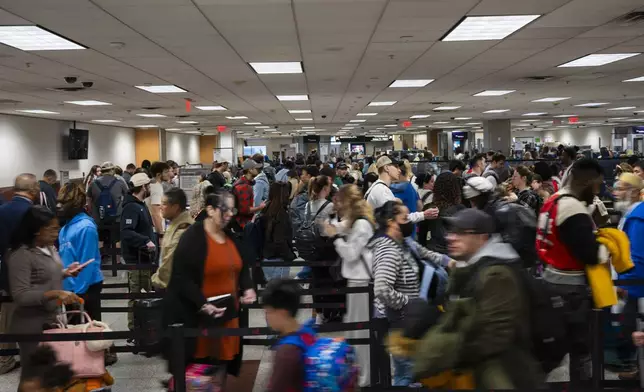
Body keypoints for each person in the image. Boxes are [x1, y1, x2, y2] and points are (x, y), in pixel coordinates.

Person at [413, 208, 542, 389]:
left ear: (482, 238)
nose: (451, 238)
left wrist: (445, 352)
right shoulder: (467, 270)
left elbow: (495, 336)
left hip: (505, 377)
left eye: (461, 233)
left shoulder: (497, 275)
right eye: (451, 232)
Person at [163, 190, 256, 387]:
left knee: (221, 368)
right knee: (201, 372)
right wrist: (202, 304)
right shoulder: (193, 237)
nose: (231, 214)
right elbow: (181, 278)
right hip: (199, 321)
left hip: (227, 318)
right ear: (210, 210)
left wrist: (247, 288)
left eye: (233, 209)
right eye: (225, 209)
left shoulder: (230, 235)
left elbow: (240, 266)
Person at [536, 158, 603, 384]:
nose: (597, 192)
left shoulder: (552, 201)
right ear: (586, 182)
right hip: (570, 290)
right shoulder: (572, 208)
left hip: (548, 280)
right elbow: (591, 254)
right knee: (580, 351)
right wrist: (607, 249)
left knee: (551, 346)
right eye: (597, 185)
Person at [370, 200, 450, 386]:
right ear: (391, 222)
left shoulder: (404, 242)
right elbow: (382, 288)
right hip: (400, 320)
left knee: (410, 370)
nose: (408, 222)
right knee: (406, 372)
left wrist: (450, 262)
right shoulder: (388, 249)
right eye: (404, 218)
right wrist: (408, 303)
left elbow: (424, 253)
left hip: (410, 319)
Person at [7, 206, 81, 383]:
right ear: (36, 230)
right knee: (33, 380)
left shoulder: (49, 248)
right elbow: (21, 294)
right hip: (32, 326)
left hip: (51, 320)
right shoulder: (21, 255)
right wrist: (54, 293)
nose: (57, 233)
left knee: (49, 379)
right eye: (52, 229)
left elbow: (43, 274)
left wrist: (64, 272)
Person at [322, 184, 375, 387]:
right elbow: (333, 227)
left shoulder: (361, 224)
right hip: (356, 281)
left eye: (340, 202)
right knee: (355, 331)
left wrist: (336, 238)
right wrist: (332, 220)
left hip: (362, 283)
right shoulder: (355, 221)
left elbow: (351, 254)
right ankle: (359, 374)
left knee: (361, 332)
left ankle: (365, 378)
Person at [0, 174, 40, 374]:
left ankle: (5, 360)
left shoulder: (2, 211)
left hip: (7, 275)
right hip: (33, 277)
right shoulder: (35, 213)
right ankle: (33, 357)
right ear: (33, 190)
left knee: (6, 320)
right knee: (33, 318)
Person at [611, 173, 644, 376]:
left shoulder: (638, 217)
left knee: (632, 328)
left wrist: (627, 285)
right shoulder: (631, 214)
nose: (616, 192)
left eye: (622, 188)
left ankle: (633, 366)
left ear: (633, 192)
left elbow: (638, 258)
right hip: (630, 283)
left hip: (636, 287)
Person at [57, 183, 104, 321]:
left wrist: (79, 295)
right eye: (59, 202)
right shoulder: (65, 227)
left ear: (75, 204)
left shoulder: (86, 227)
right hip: (70, 288)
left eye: (64, 202)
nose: (59, 206)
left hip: (85, 289)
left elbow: (87, 263)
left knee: (88, 332)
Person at [120, 172, 157, 333]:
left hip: (144, 259)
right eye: (148, 185)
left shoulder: (139, 205)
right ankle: (135, 331)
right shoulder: (132, 208)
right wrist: (145, 241)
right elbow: (126, 232)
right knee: (136, 296)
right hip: (136, 260)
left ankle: (145, 328)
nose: (149, 188)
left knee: (144, 294)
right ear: (143, 187)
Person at [263, 279, 311, 391]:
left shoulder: (286, 352)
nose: (266, 317)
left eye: (268, 312)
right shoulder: (307, 331)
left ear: (282, 312)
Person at [305, 176, 341, 323]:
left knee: (316, 281)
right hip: (327, 247)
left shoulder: (308, 205)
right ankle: (329, 312)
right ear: (326, 189)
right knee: (329, 280)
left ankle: (318, 314)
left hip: (311, 246)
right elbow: (334, 228)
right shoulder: (330, 206)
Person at [365, 155, 437, 224]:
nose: (399, 170)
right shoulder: (381, 190)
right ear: (386, 168)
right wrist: (423, 215)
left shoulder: (380, 188)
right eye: (396, 167)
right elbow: (397, 218)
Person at [151, 188, 194, 290]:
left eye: (164, 204)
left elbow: (170, 261)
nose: (161, 207)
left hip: (178, 288)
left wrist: (157, 280)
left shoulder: (183, 228)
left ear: (175, 207)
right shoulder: (175, 223)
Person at [419, 172, 464, 251]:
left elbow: (421, 235)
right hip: (454, 254)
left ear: (436, 188)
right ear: (456, 189)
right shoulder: (462, 210)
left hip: (433, 253)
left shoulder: (429, 209)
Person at [261, 182, 296, 280]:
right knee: (280, 292)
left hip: (267, 256)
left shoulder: (266, 209)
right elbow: (279, 240)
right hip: (278, 259)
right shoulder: (281, 214)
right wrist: (289, 255)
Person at [89, 161, 128, 225]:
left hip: (99, 218)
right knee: (116, 234)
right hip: (117, 218)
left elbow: (88, 199)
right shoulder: (120, 181)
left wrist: (92, 212)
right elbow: (127, 196)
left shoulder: (93, 183)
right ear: (112, 170)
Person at [391, 161, 421, 238]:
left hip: (399, 231)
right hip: (411, 229)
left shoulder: (392, 189)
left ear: (399, 173)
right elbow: (420, 206)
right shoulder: (411, 187)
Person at [232, 159, 266, 229]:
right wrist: (260, 207)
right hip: (242, 224)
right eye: (256, 168)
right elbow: (245, 210)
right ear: (250, 170)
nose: (259, 170)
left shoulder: (242, 182)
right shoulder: (244, 187)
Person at [146, 161, 171, 236]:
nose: (168, 174)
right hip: (155, 230)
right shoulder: (156, 188)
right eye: (166, 172)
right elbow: (155, 213)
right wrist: (161, 234)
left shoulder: (153, 185)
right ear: (158, 175)